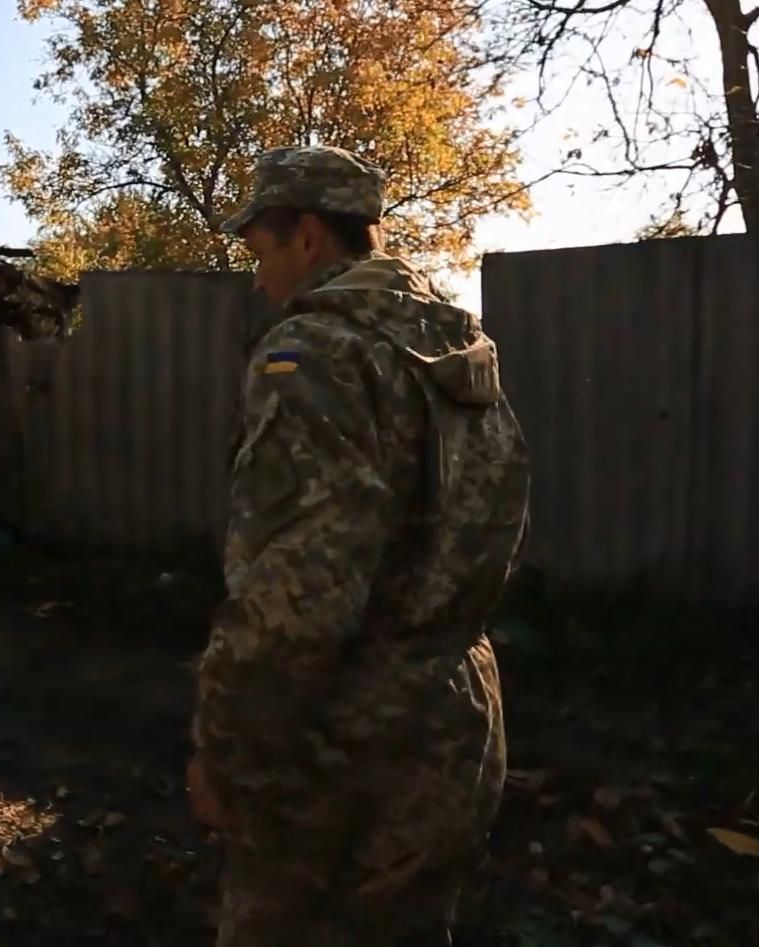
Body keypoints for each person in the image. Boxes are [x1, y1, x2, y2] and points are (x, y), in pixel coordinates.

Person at [187, 145, 531, 946]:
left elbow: (299, 593)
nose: (257, 275)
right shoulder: (456, 347)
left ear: (307, 237)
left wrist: (226, 749)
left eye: (260, 249)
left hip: (344, 742)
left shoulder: (314, 353)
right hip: (456, 713)